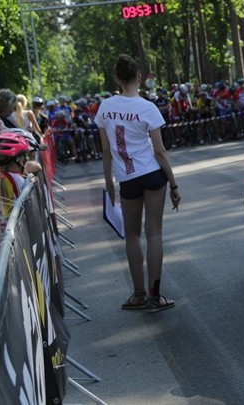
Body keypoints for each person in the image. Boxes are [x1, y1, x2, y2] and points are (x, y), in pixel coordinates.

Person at [95, 54, 180, 312]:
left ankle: (138, 294)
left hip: (127, 179)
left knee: (131, 235)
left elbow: (106, 151)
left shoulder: (105, 107)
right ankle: (156, 296)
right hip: (153, 175)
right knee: (154, 233)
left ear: (117, 79)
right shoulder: (147, 107)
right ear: (139, 77)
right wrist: (174, 185)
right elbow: (160, 151)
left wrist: (109, 183)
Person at [0, 130, 42, 303]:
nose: (26, 160)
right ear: (17, 158)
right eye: (24, 156)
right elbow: (35, 167)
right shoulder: (13, 177)